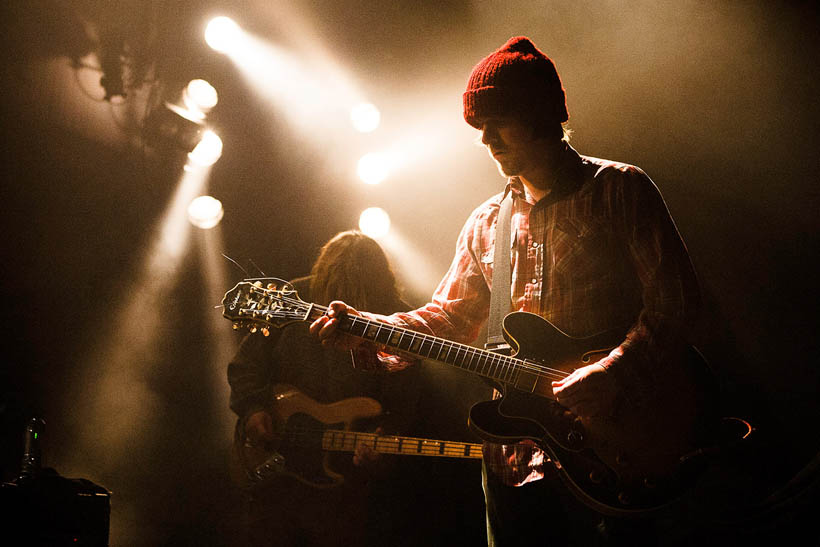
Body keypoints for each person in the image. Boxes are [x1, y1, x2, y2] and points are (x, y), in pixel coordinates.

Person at [310, 36, 702, 545]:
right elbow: (447, 318)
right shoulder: (485, 222)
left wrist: (613, 372)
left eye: (497, 123)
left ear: (540, 115)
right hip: (516, 457)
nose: (486, 140)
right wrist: (369, 330)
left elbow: (677, 303)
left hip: (618, 447)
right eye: (478, 127)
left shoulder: (618, 190)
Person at [227, 230, 422, 547]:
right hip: (277, 468)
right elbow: (246, 364)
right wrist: (253, 409)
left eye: (359, 294)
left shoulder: (396, 318)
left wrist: (383, 435)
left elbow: (404, 397)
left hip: (345, 481)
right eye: (337, 290)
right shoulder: (294, 298)